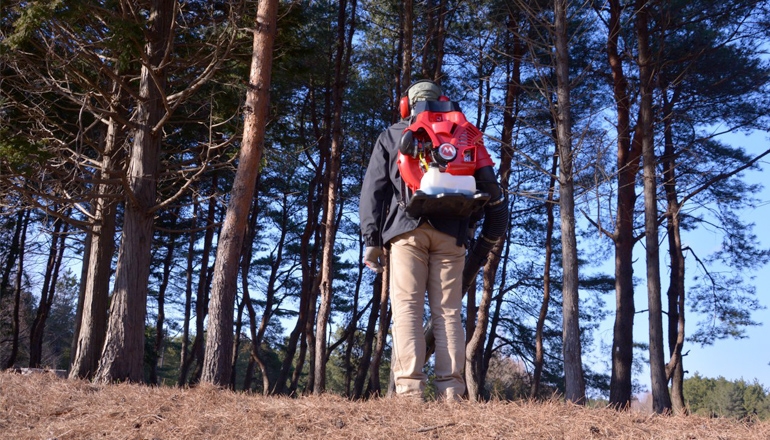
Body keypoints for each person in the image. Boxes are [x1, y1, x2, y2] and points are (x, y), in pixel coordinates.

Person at [359, 79, 508, 401]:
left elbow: (373, 190)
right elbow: (488, 190)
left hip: (406, 230)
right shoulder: (463, 134)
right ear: (442, 101)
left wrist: (371, 239)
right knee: (448, 314)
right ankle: (452, 392)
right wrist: (468, 227)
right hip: (451, 234)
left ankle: (410, 392)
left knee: (408, 309)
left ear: (406, 105)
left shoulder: (391, 135)